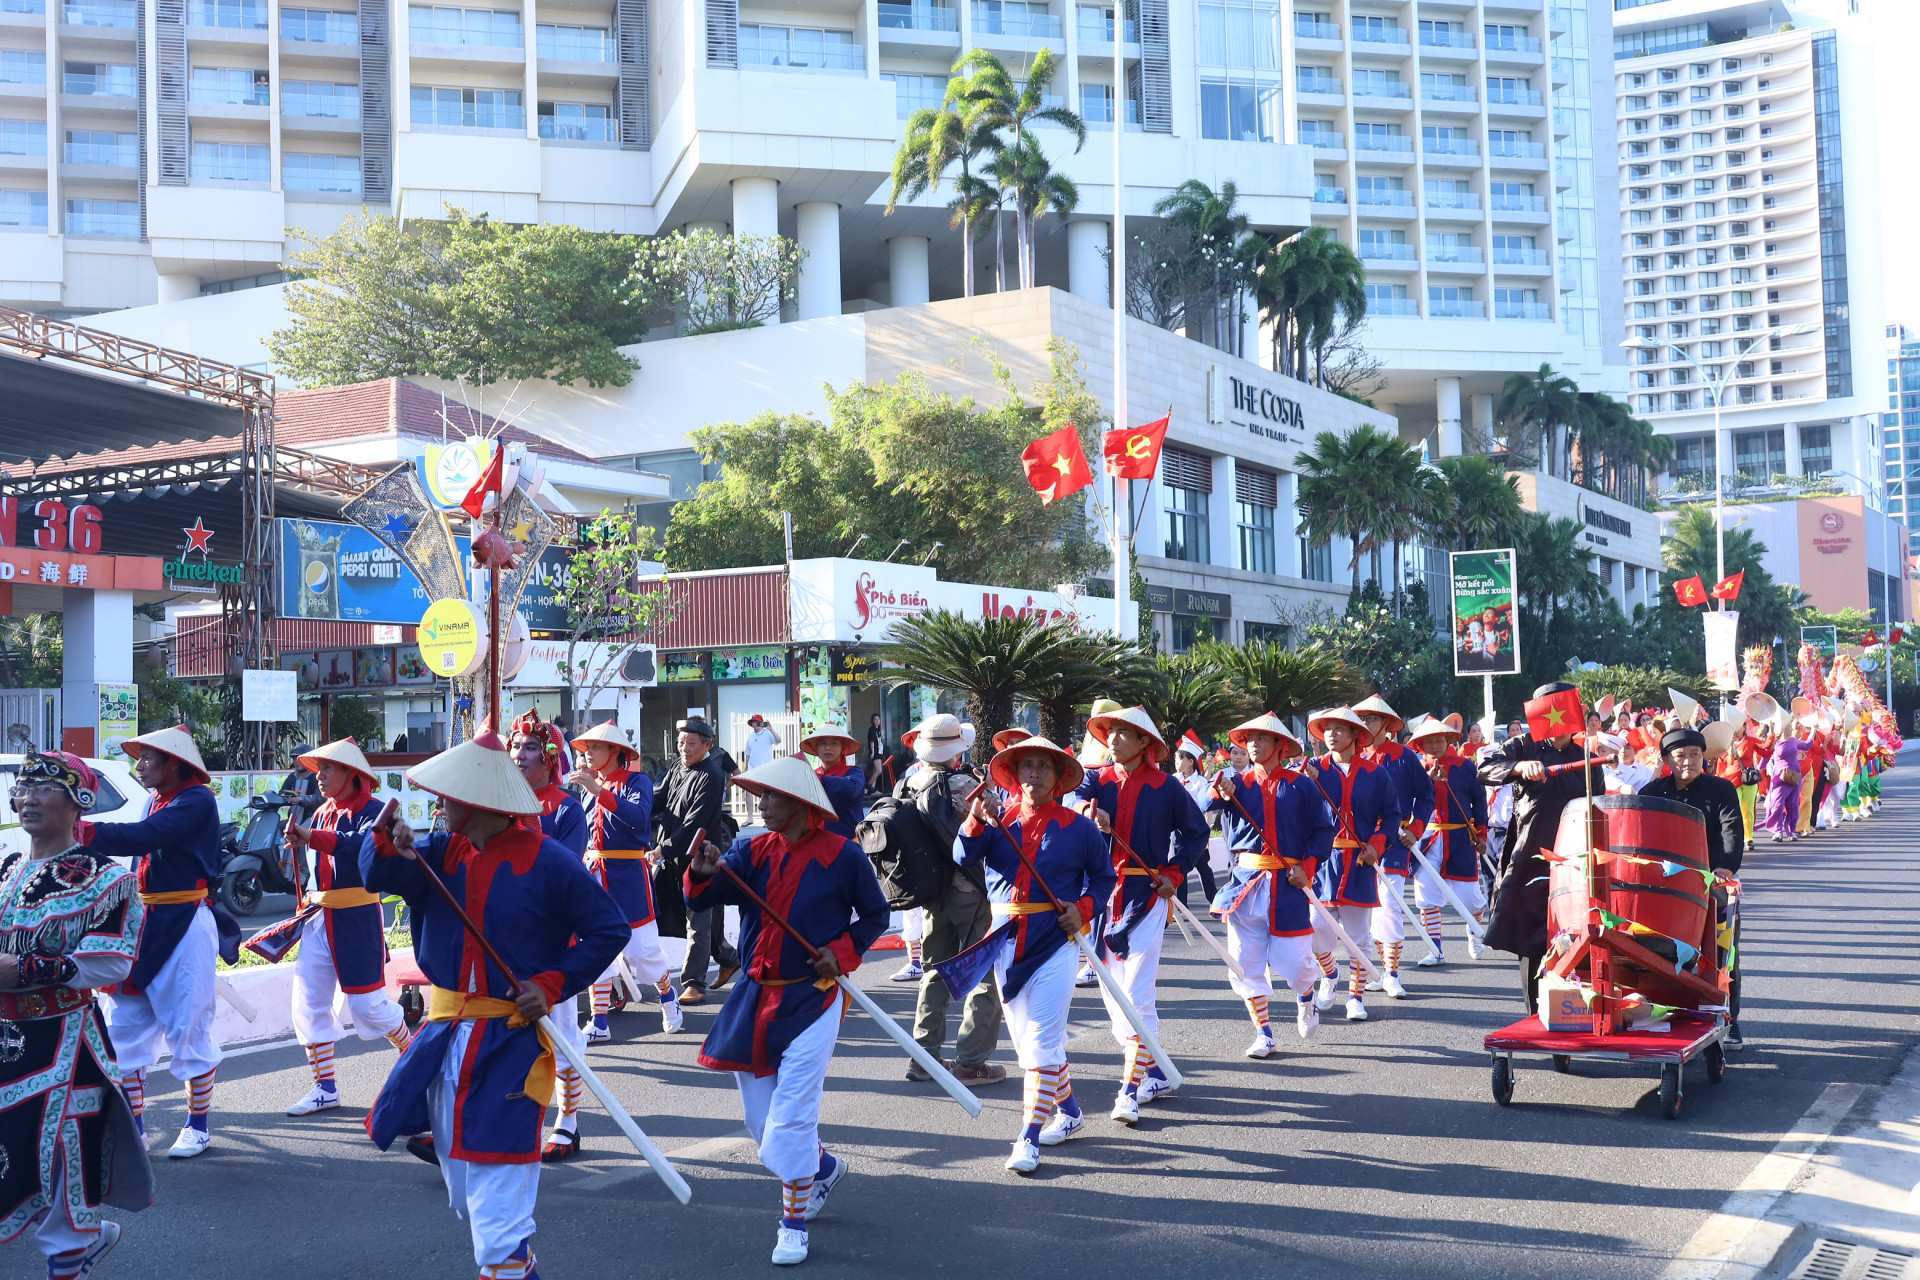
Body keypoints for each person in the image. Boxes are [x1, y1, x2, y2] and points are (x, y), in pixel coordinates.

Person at [362, 732, 627, 1280]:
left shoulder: (548, 860)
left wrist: (553, 984)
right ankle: (518, 1264)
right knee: (466, 1190)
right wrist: (387, 839)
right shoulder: (435, 852)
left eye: (447, 794)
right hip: (444, 1037)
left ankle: (509, 1262)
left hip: (510, 1041)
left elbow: (609, 929)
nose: (439, 803)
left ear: (478, 801)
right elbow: (376, 873)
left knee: (496, 1203)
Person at [686, 757, 890, 1266]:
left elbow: (876, 915)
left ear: (800, 804)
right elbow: (705, 894)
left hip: (814, 996)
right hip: (755, 997)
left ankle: (792, 1224)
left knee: (790, 1122)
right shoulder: (749, 847)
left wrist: (841, 953)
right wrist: (701, 870)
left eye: (771, 797)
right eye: (761, 796)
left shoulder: (843, 854)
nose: (761, 805)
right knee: (762, 1124)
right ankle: (822, 1170)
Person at [0, 752, 151, 1277]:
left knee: (64, 1153)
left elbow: (108, 961)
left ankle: (72, 1253)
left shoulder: (105, 878)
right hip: (4, 1035)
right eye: (23, 788)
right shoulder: (7, 870)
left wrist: (25, 969)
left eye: (44, 788)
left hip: (64, 1040)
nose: (28, 798)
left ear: (78, 802)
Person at [955, 737, 1115, 1174]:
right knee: (1033, 1046)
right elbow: (961, 856)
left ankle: (1028, 1138)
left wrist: (1081, 910)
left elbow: (1104, 879)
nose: (1034, 774)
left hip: (1055, 945)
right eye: (1027, 766)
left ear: (1059, 777)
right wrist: (974, 819)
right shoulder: (995, 818)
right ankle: (1072, 1112)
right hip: (1004, 944)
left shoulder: (1079, 827)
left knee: (1040, 1044)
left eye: (1043, 767)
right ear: (1015, 773)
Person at [88, 725, 236, 1161]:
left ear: (174, 762)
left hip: (185, 920)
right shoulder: (159, 798)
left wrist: (83, 833)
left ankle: (198, 1126)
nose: (139, 766)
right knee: (125, 1025)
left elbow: (148, 837)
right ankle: (134, 1127)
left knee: (188, 1024)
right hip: (145, 920)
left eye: (148, 758)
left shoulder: (196, 799)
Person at [1068, 706, 1208, 1125]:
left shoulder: (1166, 786)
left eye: (1124, 733)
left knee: (1137, 994)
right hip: (1098, 896)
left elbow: (1197, 833)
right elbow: (1072, 799)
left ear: (1145, 742)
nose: (1112, 739)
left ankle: (1129, 1091)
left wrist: (1174, 871)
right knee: (1112, 995)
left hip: (1145, 896)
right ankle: (1153, 1072)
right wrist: (1087, 811)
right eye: (1110, 731)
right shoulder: (1096, 779)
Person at [276, 739, 414, 1118]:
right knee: (308, 1003)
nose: (318, 777)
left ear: (352, 774)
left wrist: (311, 836)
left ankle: (417, 1058)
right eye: (317, 770)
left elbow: (359, 844)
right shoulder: (320, 812)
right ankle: (324, 1087)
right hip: (319, 919)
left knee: (369, 1008)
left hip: (357, 919)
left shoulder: (373, 811)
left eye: (328, 769)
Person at [1208, 714, 1335, 1056]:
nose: (1253, 744)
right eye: (1249, 738)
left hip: (1288, 887)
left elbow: (1324, 831)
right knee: (1244, 963)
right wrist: (1220, 789)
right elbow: (1209, 801)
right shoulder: (1236, 783)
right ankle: (1264, 1033)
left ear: (1281, 746)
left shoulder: (1302, 785)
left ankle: (1307, 998)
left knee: (1296, 965)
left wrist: (1307, 866)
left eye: (1262, 738)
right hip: (1245, 887)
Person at [1476, 684, 1607, 1013]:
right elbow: (1484, 769)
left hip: (1576, 858)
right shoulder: (1523, 745)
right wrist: (1519, 767)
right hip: (1532, 855)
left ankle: (1578, 1008)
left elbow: (1602, 806)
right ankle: (1535, 1012)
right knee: (1531, 937)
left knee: (1579, 933)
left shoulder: (1588, 758)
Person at [896, 714, 1006, 1086]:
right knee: (984, 974)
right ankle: (971, 1061)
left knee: (934, 970)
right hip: (971, 890)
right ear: (955, 750)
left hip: (932, 893)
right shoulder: (961, 783)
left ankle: (923, 1057)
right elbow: (997, 823)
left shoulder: (907, 783)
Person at [1640, 726, 1747, 1047]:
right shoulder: (1651, 791)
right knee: (1654, 953)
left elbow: (1732, 831)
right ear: (1666, 761)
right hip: (1663, 889)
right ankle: (1657, 1013)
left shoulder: (1722, 789)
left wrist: (1725, 867)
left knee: (1723, 957)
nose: (1688, 761)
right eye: (1680, 756)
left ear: (1704, 757)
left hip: (1712, 885)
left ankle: (1730, 1019)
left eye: (1695, 755)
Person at [1298, 707, 1401, 1022]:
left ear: (1356, 735)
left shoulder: (1375, 773)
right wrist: (1304, 781)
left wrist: (1377, 844)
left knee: (1358, 937)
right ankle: (1330, 974)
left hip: (1359, 864)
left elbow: (1392, 816)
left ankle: (1355, 997)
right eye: (1327, 728)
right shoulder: (1310, 769)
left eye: (1339, 729)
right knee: (1314, 931)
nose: (1331, 734)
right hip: (1323, 865)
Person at [653, 718, 738, 1006]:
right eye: (681, 743)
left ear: (707, 745)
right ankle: (729, 958)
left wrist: (662, 849)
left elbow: (693, 825)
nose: (684, 748)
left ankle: (694, 983)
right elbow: (660, 797)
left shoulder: (712, 776)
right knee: (703, 917)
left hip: (701, 858)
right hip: (675, 855)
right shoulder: (678, 766)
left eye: (691, 743)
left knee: (697, 920)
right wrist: (635, 807)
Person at [1351, 696, 1431, 999]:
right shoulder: (1352, 757)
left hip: (1395, 840)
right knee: (1364, 910)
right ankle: (1371, 971)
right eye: (1363, 718)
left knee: (1389, 902)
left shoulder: (1404, 757)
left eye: (1372, 719)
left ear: (1387, 724)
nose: (1367, 724)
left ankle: (1392, 973)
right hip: (1357, 843)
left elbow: (1425, 797)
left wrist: (1416, 829)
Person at [1402, 717, 1488, 967]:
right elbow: (1407, 800)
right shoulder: (1415, 769)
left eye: (1439, 739)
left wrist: (1481, 834)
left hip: (1460, 838)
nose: (1435, 744)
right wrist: (1428, 780)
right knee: (1426, 896)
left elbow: (1479, 802)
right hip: (1427, 839)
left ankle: (1474, 932)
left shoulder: (1465, 766)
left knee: (1470, 899)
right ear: (1420, 744)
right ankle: (1435, 948)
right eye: (1429, 741)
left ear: (1448, 740)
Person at [800, 724, 866, 840]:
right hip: (815, 841)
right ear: (816, 748)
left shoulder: (854, 772)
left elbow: (850, 788)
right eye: (823, 743)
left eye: (834, 743)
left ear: (843, 748)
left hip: (849, 841)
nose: (828, 748)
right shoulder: (812, 774)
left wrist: (815, 778)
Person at [1172, 743, 1220, 900]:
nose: (1176, 763)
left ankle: (1214, 899)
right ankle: (1182, 906)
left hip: (1196, 829)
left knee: (1202, 866)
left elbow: (1208, 808)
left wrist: (1207, 831)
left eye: (1180, 759)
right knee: (1179, 867)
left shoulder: (1201, 782)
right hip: (1177, 830)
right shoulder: (1173, 780)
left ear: (1190, 761)